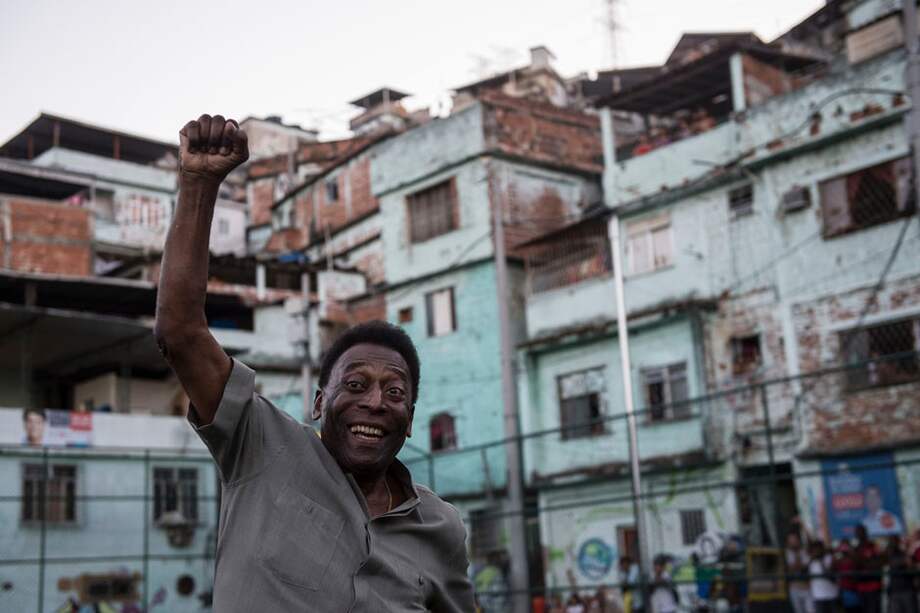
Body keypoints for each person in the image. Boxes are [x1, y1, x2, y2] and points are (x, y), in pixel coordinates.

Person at [154, 115, 474, 612]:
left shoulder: (441, 527)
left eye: (395, 393)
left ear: (410, 419)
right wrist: (198, 183)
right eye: (356, 384)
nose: (375, 402)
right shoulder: (261, 445)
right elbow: (180, 332)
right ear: (321, 401)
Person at [855, 524, 884, 613]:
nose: (859, 534)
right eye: (857, 532)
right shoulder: (856, 549)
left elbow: (879, 563)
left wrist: (865, 563)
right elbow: (855, 565)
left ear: (865, 532)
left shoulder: (872, 546)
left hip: (874, 586)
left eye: (861, 532)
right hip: (861, 587)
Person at [886, 536, 918, 613]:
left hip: (908, 589)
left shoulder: (908, 553)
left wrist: (908, 551)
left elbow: (912, 564)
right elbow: (894, 562)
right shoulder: (890, 553)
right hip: (895, 591)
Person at [786, 531, 814, 613]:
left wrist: (797, 555)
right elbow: (792, 568)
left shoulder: (804, 552)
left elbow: (805, 567)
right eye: (791, 540)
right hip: (794, 589)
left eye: (794, 540)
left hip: (807, 588)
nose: (793, 542)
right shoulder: (787, 553)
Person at [807, 540, 838, 613]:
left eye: (818, 549)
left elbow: (831, 575)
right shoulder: (810, 561)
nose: (816, 552)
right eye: (814, 550)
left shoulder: (829, 558)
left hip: (832, 595)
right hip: (818, 596)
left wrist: (821, 561)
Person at [835, 539, 862, 613]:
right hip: (844, 590)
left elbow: (858, 565)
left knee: (856, 609)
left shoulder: (854, 559)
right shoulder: (838, 561)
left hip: (854, 589)